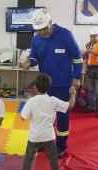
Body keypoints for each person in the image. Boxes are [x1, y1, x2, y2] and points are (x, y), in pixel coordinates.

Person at [22, 8, 83, 157]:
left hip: (63, 83)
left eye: (44, 29)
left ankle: (61, 145)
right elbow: (35, 57)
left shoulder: (65, 35)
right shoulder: (36, 39)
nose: (42, 33)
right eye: (38, 30)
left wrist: (76, 77)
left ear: (50, 22)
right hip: (45, 85)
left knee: (62, 115)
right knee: (44, 115)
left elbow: (78, 58)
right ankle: (45, 141)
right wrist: (29, 62)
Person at [18, 74, 73, 170]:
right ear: (49, 87)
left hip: (34, 136)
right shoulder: (53, 100)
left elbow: (23, 117)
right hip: (48, 136)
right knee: (53, 156)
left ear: (35, 87)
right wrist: (73, 93)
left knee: (29, 157)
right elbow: (70, 106)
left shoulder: (32, 101)